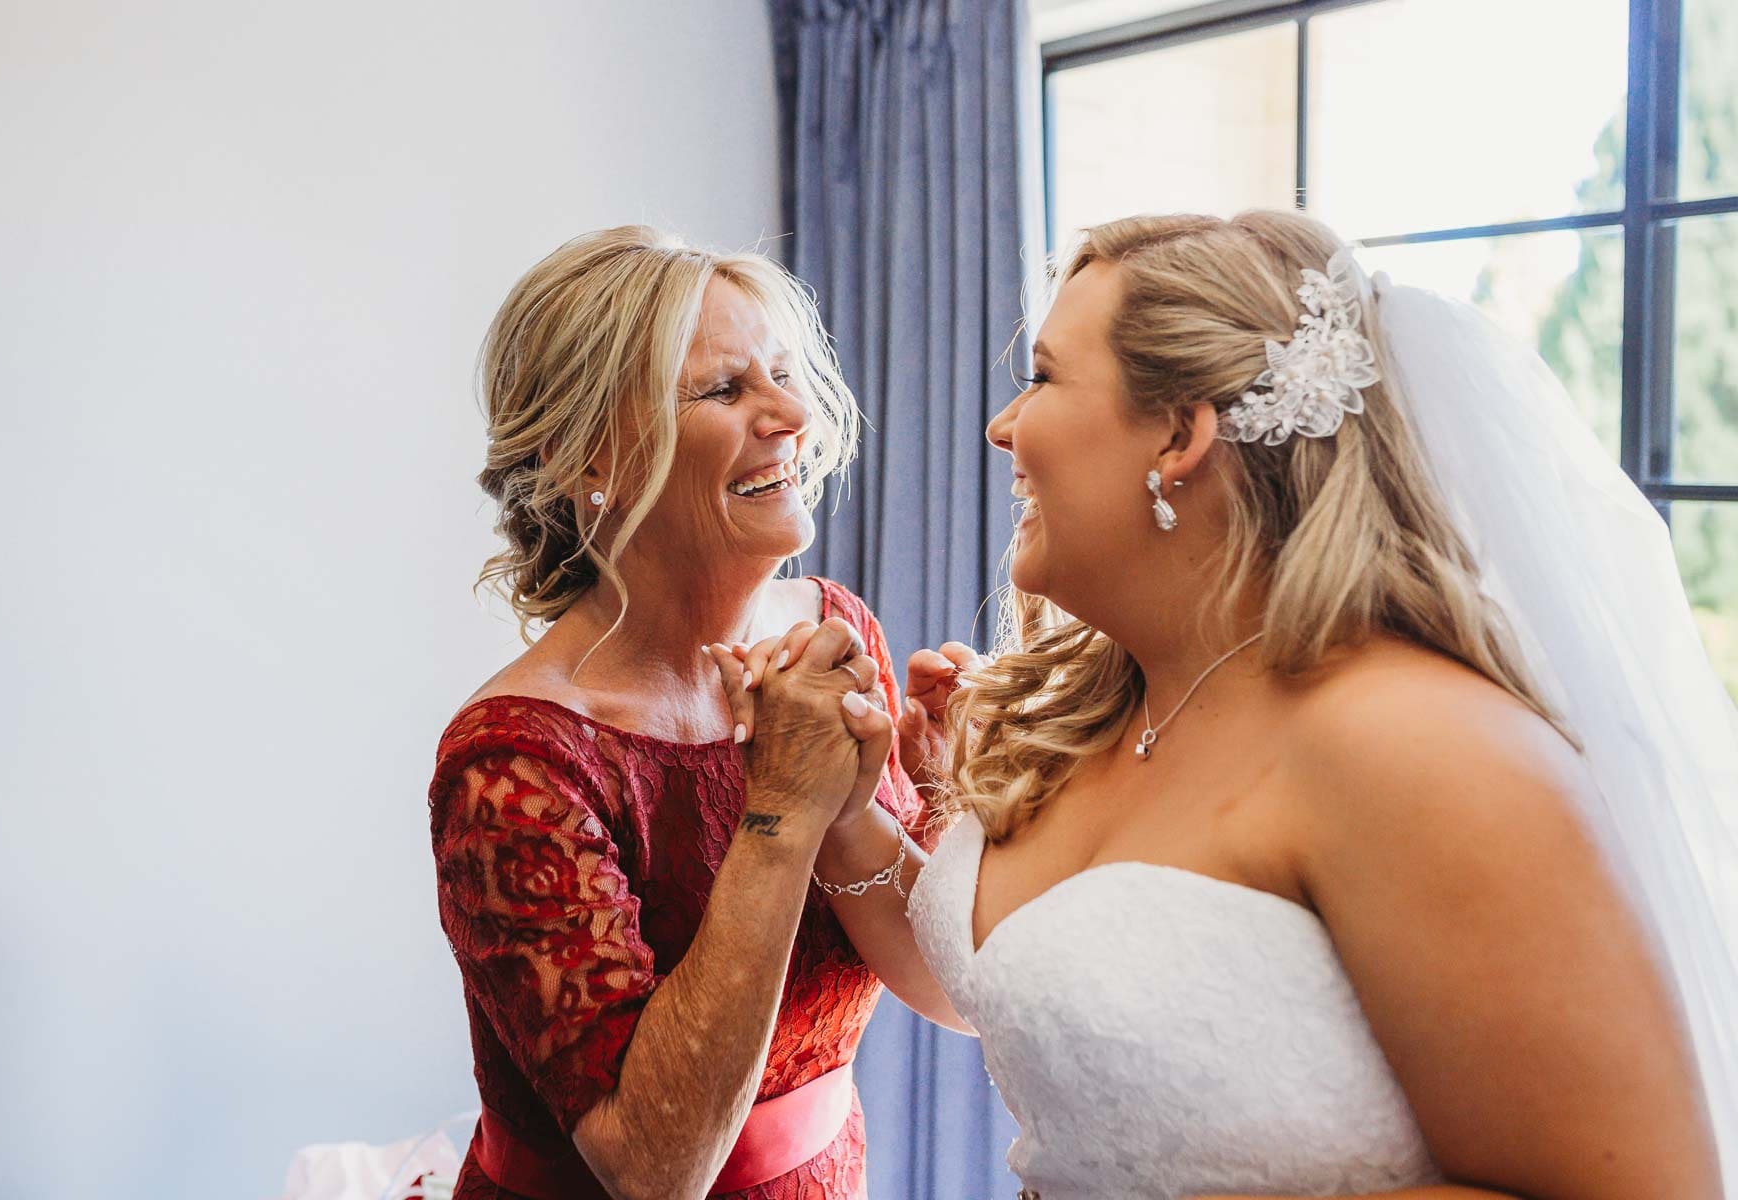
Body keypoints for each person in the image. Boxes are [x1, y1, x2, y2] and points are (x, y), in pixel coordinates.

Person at [715, 210, 1737, 1199]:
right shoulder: (1099, 704)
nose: (1003, 426)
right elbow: (1007, 989)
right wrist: (846, 812)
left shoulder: (1416, 744)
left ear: (1179, 435)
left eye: (1044, 378)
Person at [427, 225, 929, 1200]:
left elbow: (946, 989)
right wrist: (781, 811)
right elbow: (653, 1171)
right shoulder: (515, 760)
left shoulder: (835, 632)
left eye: (783, 374)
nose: (792, 415)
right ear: (592, 460)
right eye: (726, 390)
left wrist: (872, 806)